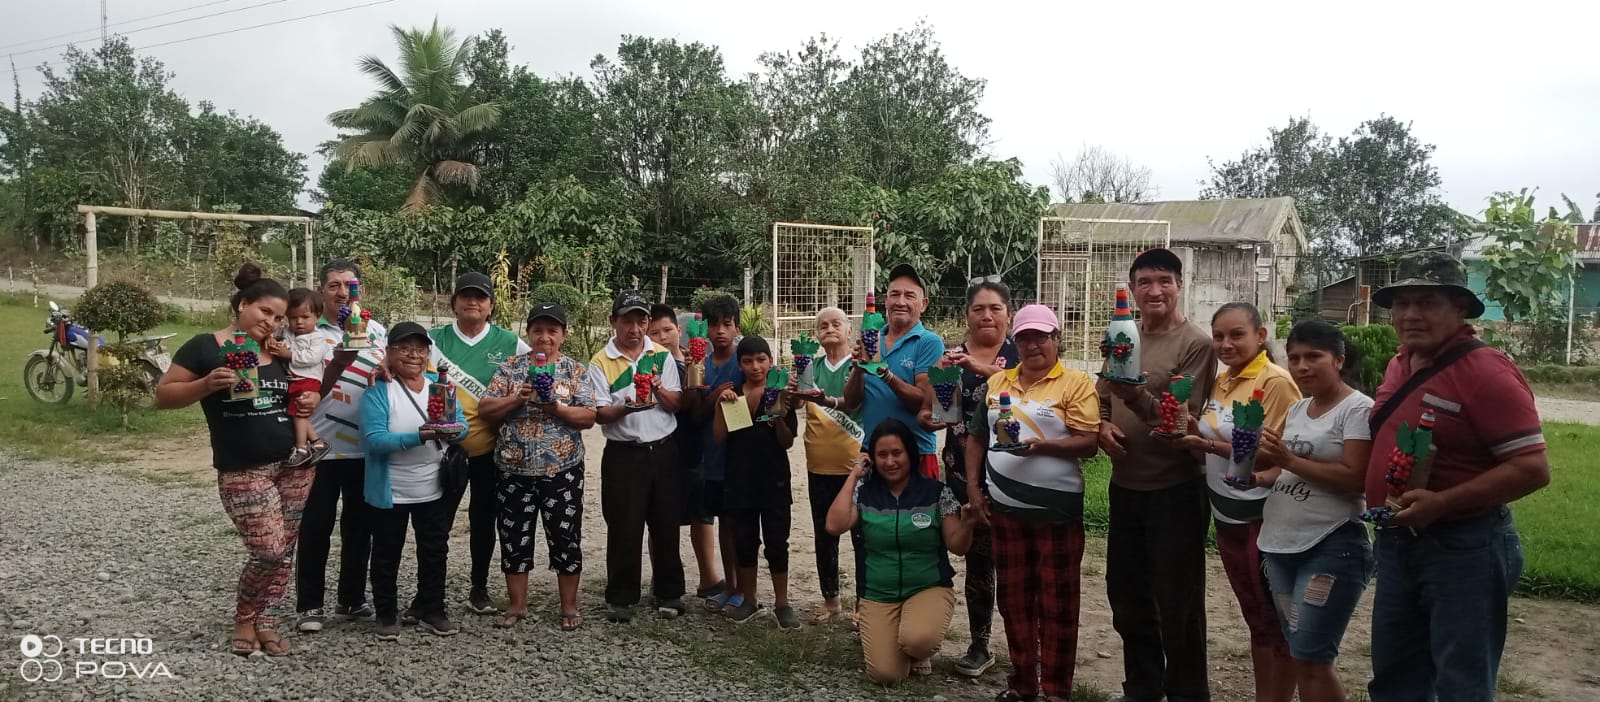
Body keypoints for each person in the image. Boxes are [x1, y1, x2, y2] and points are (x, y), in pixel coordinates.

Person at [1363, 252, 1550, 702]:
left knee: (1461, 683)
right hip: (1398, 542)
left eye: (1426, 302)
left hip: (1464, 548)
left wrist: (1443, 502)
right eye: (1402, 303)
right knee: (1395, 678)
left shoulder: (1486, 371)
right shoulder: (1399, 363)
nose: (1410, 315)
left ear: (1460, 307)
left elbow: (1532, 468)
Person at [156, 263, 319, 657]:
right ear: (243, 304)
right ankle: (246, 617)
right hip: (242, 467)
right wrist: (205, 384)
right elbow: (163, 396)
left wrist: (310, 399)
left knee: (286, 550)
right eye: (266, 312)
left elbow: (301, 389)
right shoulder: (205, 347)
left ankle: (267, 621)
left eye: (278, 318)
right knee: (268, 550)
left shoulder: (277, 351)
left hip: (294, 465)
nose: (271, 323)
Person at [963, 304, 1101, 701]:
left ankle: (1056, 691)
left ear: (1057, 339)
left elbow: (1089, 443)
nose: (1033, 344)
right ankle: (1022, 684)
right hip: (1005, 510)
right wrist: (974, 490)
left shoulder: (1075, 383)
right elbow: (977, 437)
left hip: (1056, 513)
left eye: (1041, 336)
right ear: (1016, 341)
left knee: (1058, 605)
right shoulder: (999, 382)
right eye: (1025, 337)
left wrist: (1043, 446)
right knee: (1014, 601)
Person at [1097, 248, 1217, 702]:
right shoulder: (1122, 334)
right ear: (1133, 289)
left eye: (1164, 280)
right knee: (1127, 597)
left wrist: (1135, 396)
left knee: (1178, 603)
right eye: (1145, 282)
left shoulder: (1196, 344)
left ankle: (1187, 693)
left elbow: (1183, 421)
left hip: (1175, 489)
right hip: (1126, 486)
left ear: (1179, 285)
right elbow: (1102, 392)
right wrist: (1102, 423)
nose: (1155, 290)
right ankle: (1142, 689)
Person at [1180, 302, 1298, 702]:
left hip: (1262, 518)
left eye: (1236, 335)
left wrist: (1209, 445)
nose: (1225, 344)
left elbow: (1277, 455)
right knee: (1256, 617)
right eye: (1218, 336)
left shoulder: (1276, 382)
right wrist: (1188, 430)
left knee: (1277, 620)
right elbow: (1212, 444)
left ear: (1260, 336)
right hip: (1227, 516)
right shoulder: (1223, 380)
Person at [1252, 320, 1374, 702]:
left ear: (1339, 359)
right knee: (1299, 650)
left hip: (1332, 543)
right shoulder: (1299, 408)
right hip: (1280, 545)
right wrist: (1255, 477)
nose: (1302, 366)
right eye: (1295, 358)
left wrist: (1288, 459)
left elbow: (1355, 478)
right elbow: (1285, 471)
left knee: (1312, 656)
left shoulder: (1358, 409)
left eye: (1313, 357)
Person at [824, 419, 978, 684]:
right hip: (878, 593)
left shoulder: (936, 492)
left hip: (927, 587)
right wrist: (854, 476)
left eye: (897, 453)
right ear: (872, 459)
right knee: (886, 675)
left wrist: (968, 524)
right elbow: (833, 525)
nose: (890, 461)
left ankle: (917, 646)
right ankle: (900, 640)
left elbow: (957, 546)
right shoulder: (865, 494)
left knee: (918, 640)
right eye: (882, 455)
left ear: (911, 453)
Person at [917, 280, 1018, 676]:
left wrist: (982, 370)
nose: (987, 316)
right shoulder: (951, 357)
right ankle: (980, 644)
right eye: (979, 309)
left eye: (995, 308)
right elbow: (933, 410)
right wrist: (929, 416)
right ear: (967, 315)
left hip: (1012, 474)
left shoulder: (1021, 354)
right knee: (977, 562)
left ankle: (1025, 648)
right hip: (961, 472)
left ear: (1008, 314)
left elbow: (1022, 391)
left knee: (1015, 563)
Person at [478, 302, 596, 631]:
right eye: (538, 330)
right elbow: (485, 409)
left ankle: (569, 606)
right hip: (513, 470)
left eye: (552, 331)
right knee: (514, 536)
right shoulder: (510, 368)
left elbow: (589, 416)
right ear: (528, 333)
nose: (545, 337)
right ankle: (517, 605)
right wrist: (517, 398)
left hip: (561, 470)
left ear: (564, 334)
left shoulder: (574, 370)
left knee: (565, 536)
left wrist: (555, 407)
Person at [427, 272, 530, 616]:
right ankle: (430, 593)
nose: (473, 302)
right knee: (437, 522)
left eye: (481, 297)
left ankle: (479, 587)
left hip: (490, 449)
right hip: (443, 450)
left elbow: (541, 363)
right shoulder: (433, 340)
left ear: (491, 305)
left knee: (484, 521)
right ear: (454, 302)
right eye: (466, 296)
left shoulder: (510, 342)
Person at [359, 322, 468, 640]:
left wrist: (453, 431)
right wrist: (420, 436)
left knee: (434, 551)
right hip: (391, 489)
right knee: (386, 553)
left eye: (420, 349)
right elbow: (375, 440)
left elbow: (461, 424)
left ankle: (433, 609)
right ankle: (386, 614)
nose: (413, 355)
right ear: (389, 353)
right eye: (404, 348)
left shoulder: (440, 385)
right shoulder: (379, 389)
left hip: (433, 487)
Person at [296, 258, 387, 632]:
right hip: (320, 444)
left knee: (360, 527)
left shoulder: (377, 330)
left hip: (365, 445)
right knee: (316, 527)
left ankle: (351, 598)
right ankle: (309, 605)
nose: (342, 292)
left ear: (359, 290)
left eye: (349, 285)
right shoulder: (306, 330)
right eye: (333, 285)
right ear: (322, 290)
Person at [588, 289, 686, 623]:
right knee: (623, 525)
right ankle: (621, 596)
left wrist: (658, 388)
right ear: (613, 321)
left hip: (663, 449)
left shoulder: (661, 355)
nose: (635, 328)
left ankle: (669, 592)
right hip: (624, 454)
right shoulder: (601, 361)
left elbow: (676, 403)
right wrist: (625, 408)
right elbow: (600, 413)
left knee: (666, 523)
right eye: (627, 321)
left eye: (641, 321)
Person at [713, 335, 800, 627]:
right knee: (745, 541)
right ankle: (749, 600)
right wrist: (719, 405)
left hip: (774, 480)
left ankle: (782, 604)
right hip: (740, 480)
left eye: (761, 360)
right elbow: (719, 437)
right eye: (748, 361)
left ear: (771, 361)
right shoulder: (733, 395)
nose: (755, 367)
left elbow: (787, 442)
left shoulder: (780, 394)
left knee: (777, 542)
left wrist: (777, 416)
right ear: (740, 364)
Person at [791, 306, 864, 624]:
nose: (830, 329)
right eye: (823, 325)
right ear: (816, 334)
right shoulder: (810, 365)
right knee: (823, 535)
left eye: (837, 324)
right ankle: (831, 600)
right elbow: (795, 403)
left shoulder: (858, 367)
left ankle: (864, 605)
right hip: (819, 465)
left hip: (856, 466)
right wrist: (793, 387)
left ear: (850, 330)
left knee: (863, 538)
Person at [648, 304, 724, 603]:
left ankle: (709, 577)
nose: (662, 337)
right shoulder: (648, 366)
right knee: (661, 518)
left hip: (696, 447)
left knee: (702, 515)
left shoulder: (697, 359)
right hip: (664, 449)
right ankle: (661, 578)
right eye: (655, 333)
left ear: (679, 330)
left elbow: (697, 409)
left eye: (667, 330)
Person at [845, 263, 945, 479]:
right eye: (895, 294)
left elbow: (923, 402)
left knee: (921, 502)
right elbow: (851, 403)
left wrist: (886, 374)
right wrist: (859, 369)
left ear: (923, 304)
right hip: (873, 453)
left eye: (909, 296)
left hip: (916, 453)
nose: (901, 302)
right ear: (886, 300)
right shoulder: (872, 339)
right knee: (870, 503)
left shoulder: (928, 342)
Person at [693, 293, 745, 613]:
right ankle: (729, 585)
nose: (720, 331)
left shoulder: (745, 361)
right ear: (706, 330)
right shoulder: (701, 365)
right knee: (723, 523)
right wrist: (713, 396)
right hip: (711, 458)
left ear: (737, 326)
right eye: (714, 325)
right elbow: (696, 413)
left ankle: (744, 589)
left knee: (738, 524)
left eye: (727, 324)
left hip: (739, 458)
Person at [273, 288, 331, 468]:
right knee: (299, 414)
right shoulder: (287, 332)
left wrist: (289, 354)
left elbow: (312, 358)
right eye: (293, 317)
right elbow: (277, 337)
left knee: (298, 414)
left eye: (305, 317)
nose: (299, 322)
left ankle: (301, 449)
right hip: (295, 379)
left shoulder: (318, 338)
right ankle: (317, 443)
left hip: (308, 380)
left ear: (317, 316)